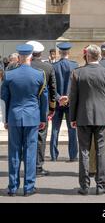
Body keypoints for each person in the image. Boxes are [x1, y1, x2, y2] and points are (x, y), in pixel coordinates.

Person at [0, 44, 48, 197]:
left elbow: (4, 97)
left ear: (19, 57)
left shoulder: (9, 74)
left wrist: (6, 118)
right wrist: (43, 118)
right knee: (30, 152)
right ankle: (28, 187)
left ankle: (13, 187)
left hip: (14, 116)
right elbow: (44, 99)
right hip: (32, 117)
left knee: (14, 152)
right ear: (31, 56)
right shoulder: (39, 74)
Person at [69, 45, 105, 195]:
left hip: (83, 116)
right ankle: (101, 185)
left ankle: (84, 185)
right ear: (99, 56)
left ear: (88, 56)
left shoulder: (78, 73)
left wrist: (72, 117)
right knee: (101, 151)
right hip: (102, 117)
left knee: (84, 151)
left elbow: (73, 98)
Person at [27, 41, 57, 177]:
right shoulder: (48, 67)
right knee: (40, 137)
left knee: (26, 137)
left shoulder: (20, 66)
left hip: (26, 107)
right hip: (42, 107)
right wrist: (52, 108)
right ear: (41, 53)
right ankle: (38, 167)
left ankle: (28, 165)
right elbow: (52, 89)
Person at [50, 42, 78, 162]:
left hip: (57, 102)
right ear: (69, 52)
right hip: (70, 102)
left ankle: (53, 155)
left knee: (55, 129)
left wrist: (58, 98)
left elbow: (52, 86)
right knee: (72, 129)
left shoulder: (54, 66)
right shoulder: (74, 65)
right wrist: (68, 97)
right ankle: (72, 155)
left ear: (59, 52)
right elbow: (76, 86)